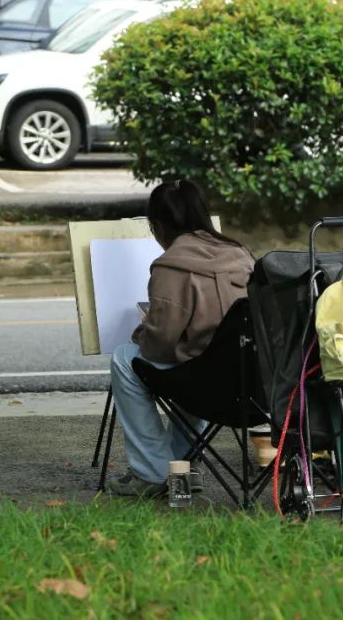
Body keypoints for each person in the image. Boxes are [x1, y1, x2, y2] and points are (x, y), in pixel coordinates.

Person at [107, 179, 255, 497]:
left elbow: (159, 347)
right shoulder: (242, 255)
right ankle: (182, 470)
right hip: (252, 385)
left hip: (205, 385)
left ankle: (153, 472)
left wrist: (142, 330)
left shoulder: (171, 266)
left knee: (124, 357)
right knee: (194, 357)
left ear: (157, 226)